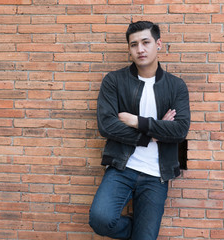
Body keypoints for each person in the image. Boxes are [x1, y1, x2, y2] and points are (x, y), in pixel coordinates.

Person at [89, 21, 191, 240]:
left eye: (146, 42)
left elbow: (180, 130)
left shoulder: (176, 86)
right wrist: (153, 133)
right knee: (100, 219)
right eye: (134, 44)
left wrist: (137, 121)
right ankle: (135, 232)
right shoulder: (114, 81)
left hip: (157, 175)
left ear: (159, 44)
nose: (140, 49)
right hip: (122, 168)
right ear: (129, 49)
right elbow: (106, 125)